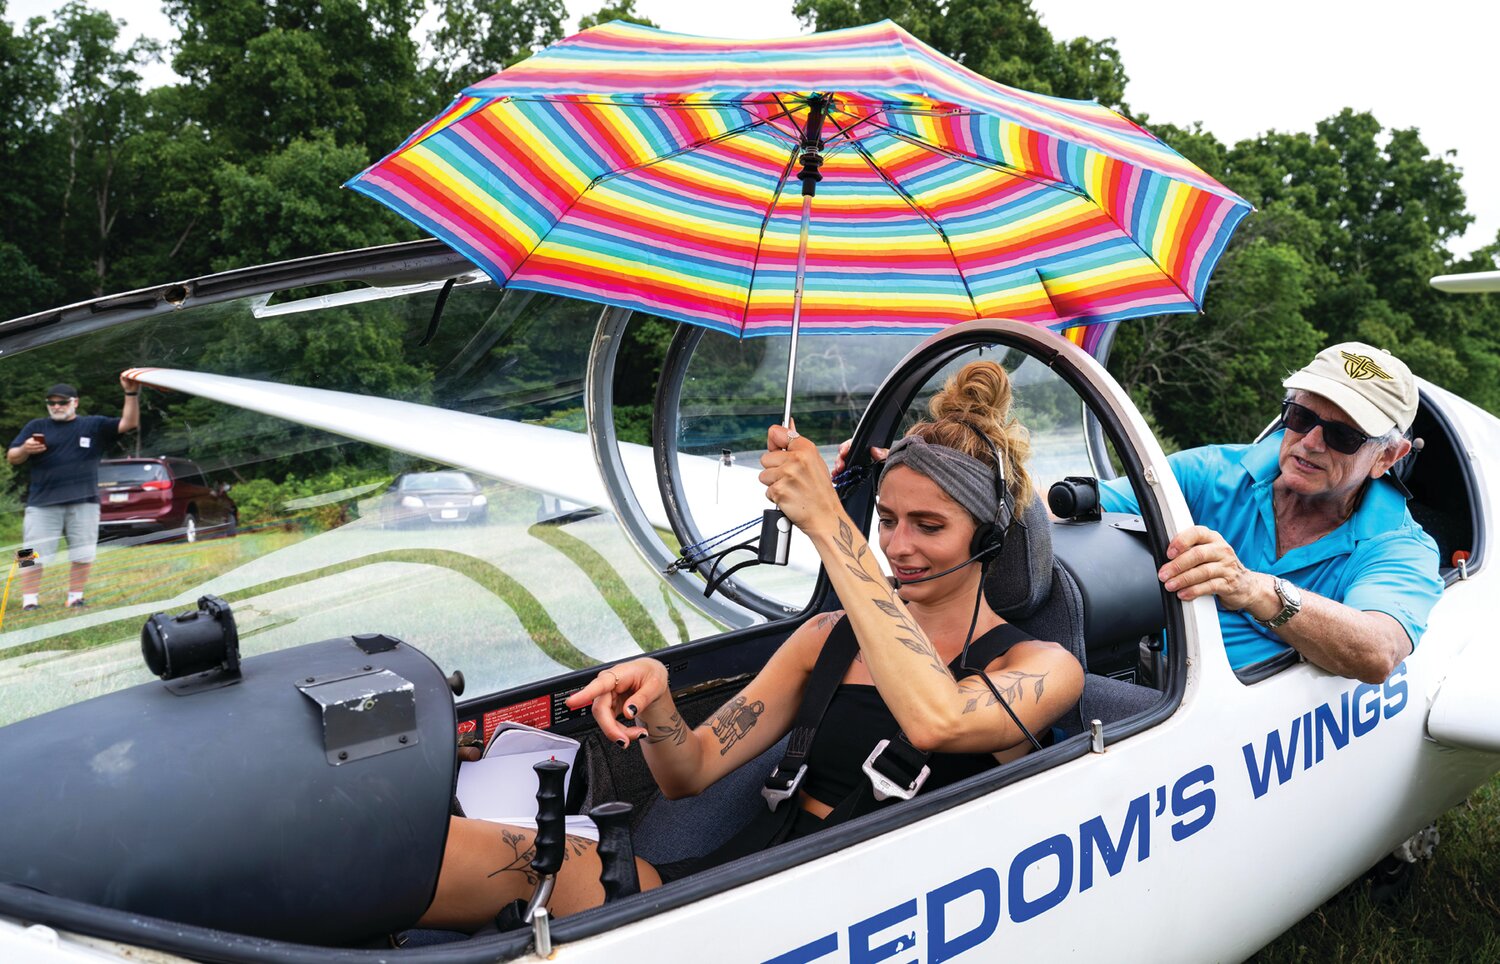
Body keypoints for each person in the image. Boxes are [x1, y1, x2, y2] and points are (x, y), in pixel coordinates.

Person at [418, 361, 1083, 929]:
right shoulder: (826, 638)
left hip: (861, 915)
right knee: (461, 851)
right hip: (733, 891)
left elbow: (937, 719)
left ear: (990, 536)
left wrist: (829, 524)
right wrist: (657, 702)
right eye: (885, 520)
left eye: (928, 525)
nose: (898, 545)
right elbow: (690, 773)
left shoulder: (1040, 667)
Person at [1098, 342, 1443, 683]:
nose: (1310, 442)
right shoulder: (1208, 472)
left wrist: (1255, 590)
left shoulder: (1400, 547)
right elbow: (1078, 511)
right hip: (1142, 677)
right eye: (1301, 417)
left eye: (1343, 435)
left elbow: (1378, 653)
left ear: (1388, 457)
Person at [5, 375, 141, 610]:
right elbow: (12, 457)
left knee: (83, 552)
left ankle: (75, 597)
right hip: (42, 502)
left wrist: (131, 394)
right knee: (29, 554)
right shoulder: (36, 426)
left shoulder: (93, 425)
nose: (56, 407)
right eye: (52, 403)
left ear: (75, 402)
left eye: (62, 402)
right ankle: (29, 601)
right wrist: (25, 449)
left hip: (84, 501)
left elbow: (129, 423)